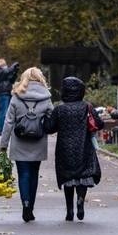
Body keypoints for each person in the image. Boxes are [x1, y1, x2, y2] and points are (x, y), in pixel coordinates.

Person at [0, 67, 53, 222]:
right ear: (40, 78)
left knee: (23, 174)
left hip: (19, 142)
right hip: (38, 141)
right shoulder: (46, 97)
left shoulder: (17, 96)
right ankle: (31, 208)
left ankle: (25, 205)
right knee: (34, 174)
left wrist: (3, 145)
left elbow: (8, 122)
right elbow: (52, 118)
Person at [46, 77, 103, 221]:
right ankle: (81, 201)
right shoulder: (86, 106)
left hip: (65, 148)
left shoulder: (59, 109)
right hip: (84, 146)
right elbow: (99, 123)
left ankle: (69, 210)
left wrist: (46, 118)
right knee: (83, 176)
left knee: (68, 178)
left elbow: (49, 128)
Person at [0, 58, 20, 135]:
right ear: (1, 65)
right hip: (3, 93)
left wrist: (15, 72)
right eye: (4, 65)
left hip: (7, 93)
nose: (5, 66)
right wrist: (13, 67)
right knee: (4, 112)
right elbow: (6, 71)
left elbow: (11, 80)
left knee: (6, 112)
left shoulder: (3, 73)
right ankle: (1, 129)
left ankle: (3, 129)